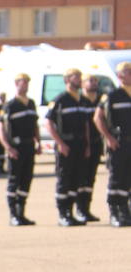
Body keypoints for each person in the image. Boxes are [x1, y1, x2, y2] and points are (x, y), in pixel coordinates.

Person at [46, 68, 90, 226]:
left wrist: (87, 145)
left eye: (79, 76)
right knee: (64, 180)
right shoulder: (60, 99)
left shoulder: (81, 100)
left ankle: (71, 213)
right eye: (75, 77)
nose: (79, 79)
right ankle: (62, 214)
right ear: (67, 80)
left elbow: (86, 125)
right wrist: (60, 143)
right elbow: (48, 123)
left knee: (76, 180)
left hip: (79, 145)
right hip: (66, 145)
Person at [0, 73, 40, 226]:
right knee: (14, 180)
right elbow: (0, 127)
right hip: (16, 147)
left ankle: (22, 214)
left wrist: (38, 142)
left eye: (27, 82)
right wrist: (8, 147)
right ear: (16, 84)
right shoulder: (10, 105)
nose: (25, 85)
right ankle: (13, 215)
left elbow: (35, 125)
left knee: (26, 179)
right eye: (22, 82)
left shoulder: (31, 103)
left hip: (29, 146)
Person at [94, 61, 131, 226]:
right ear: (119, 76)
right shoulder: (112, 95)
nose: (129, 74)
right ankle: (114, 212)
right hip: (119, 143)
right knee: (117, 178)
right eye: (127, 71)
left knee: (128, 179)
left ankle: (125, 210)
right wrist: (109, 137)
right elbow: (98, 117)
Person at [77, 73, 102, 222]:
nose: (93, 83)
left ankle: (87, 209)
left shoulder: (100, 100)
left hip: (96, 143)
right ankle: (80, 209)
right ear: (83, 84)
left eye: (95, 81)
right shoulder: (80, 100)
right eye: (90, 81)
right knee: (82, 177)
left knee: (91, 177)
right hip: (82, 145)